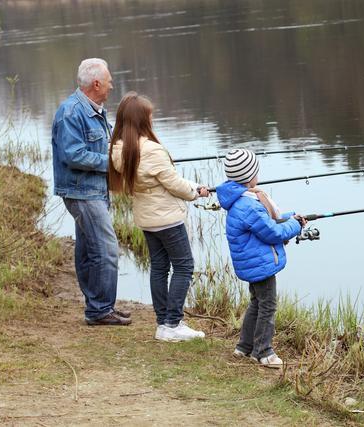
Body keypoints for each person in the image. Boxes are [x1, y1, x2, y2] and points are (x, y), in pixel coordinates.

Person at [108, 92, 209, 342]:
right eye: (150, 117)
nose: (153, 120)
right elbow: (173, 183)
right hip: (167, 218)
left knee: (160, 267)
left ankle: (163, 323)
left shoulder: (119, 149)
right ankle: (172, 324)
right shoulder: (151, 150)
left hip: (146, 217)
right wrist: (196, 192)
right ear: (143, 120)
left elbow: (158, 180)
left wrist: (190, 187)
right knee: (184, 266)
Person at [51, 58, 130, 326]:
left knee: (87, 249)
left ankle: (97, 306)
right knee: (106, 249)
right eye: (109, 81)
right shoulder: (71, 112)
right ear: (96, 83)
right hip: (81, 191)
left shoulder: (96, 109)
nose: (111, 85)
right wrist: (112, 164)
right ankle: (100, 310)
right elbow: (73, 155)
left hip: (93, 190)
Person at [216, 149, 305, 368]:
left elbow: (267, 222)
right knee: (267, 306)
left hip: (253, 263)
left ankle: (244, 347)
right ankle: (263, 352)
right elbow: (273, 232)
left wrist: (290, 217)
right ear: (250, 175)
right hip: (260, 265)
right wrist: (296, 225)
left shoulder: (241, 201)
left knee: (256, 304)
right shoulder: (249, 205)